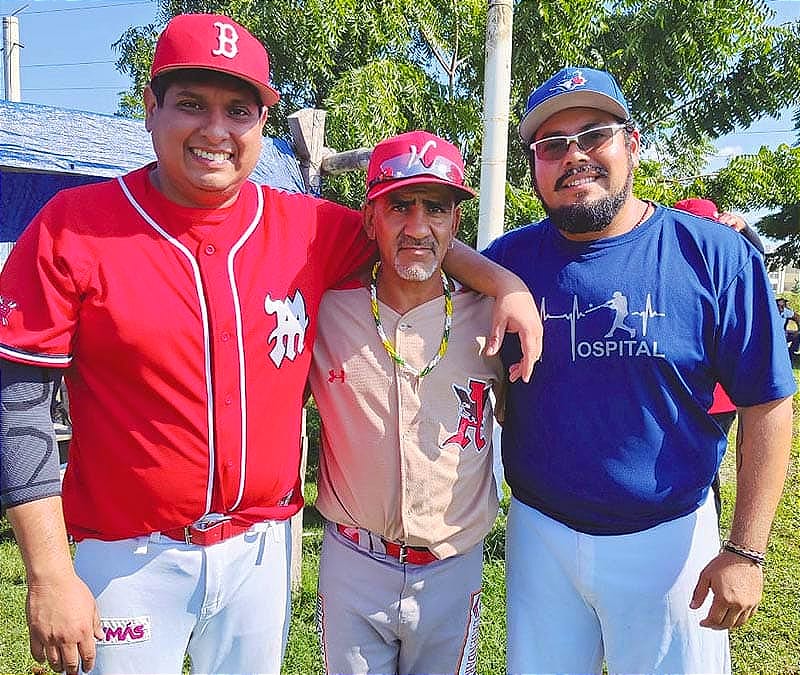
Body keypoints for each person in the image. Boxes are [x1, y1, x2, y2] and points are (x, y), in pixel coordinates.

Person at [0, 14, 542, 675]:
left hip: (263, 550)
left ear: (261, 122)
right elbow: (17, 402)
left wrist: (504, 282)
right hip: (128, 557)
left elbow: (414, 236)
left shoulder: (307, 225)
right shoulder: (72, 228)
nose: (217, 130)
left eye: (239, 109)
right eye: (192, 103)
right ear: (150, 107)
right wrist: (51, 572)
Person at [483, 66, 795, 674]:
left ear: (631, 144)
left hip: (669, 537)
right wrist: (496, 280)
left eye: (593, 134)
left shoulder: (713, 255)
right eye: (552, 145)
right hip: (541, 534)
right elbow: (437, 257)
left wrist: (746, 551)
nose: (574, 156)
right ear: (534, 169)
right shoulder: (511, 258)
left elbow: (769, 402)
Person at [308, 130, 503, 675]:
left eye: (436, 208)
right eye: (399, 206)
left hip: (452, 564)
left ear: (455, 223)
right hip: (353, 561)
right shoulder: (327, 311)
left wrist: (510, 290)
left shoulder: (491, 317)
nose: (418, 227)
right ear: (370, 218)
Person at [672, 197, 763, 517]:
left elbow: (755, 262)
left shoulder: (727, 272)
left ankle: (707, 520)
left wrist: (748, 232)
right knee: (694, 464)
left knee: (703, 467)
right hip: (689, 393)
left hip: (719, 399)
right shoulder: (673, 275)